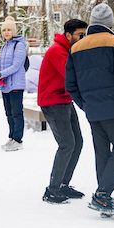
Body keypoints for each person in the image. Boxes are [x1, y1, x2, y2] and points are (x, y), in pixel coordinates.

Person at [65, 3, 114, 215]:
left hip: (93, 110)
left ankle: (103, 197)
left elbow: (70, 84)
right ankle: (102, 194)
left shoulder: (76, 48)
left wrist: (84, 104)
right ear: (110, 23)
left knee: (102, 152)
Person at [36, 18, 88, 203]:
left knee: (77, 142)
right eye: (80, 35)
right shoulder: (58, 51)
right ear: (68, 35)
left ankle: (63, 185)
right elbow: (72, 75)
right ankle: (53, 189)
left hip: (64, 100)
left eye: (85, 34)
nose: (83, 38)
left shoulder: (69, 49)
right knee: (67, 143)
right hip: (53, 102)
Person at [0, 16, 29, 151]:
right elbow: (0, 64)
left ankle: (18, 139)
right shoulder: (4, 46)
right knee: (9, 112)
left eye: (9, 30)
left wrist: (1, 74)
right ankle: (12, 137)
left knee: (16, 112)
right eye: (4, 30)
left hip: (16, 84)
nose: (6, 32)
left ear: (13, 31)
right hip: (5, 85)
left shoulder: (19, 45)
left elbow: (16, 65)